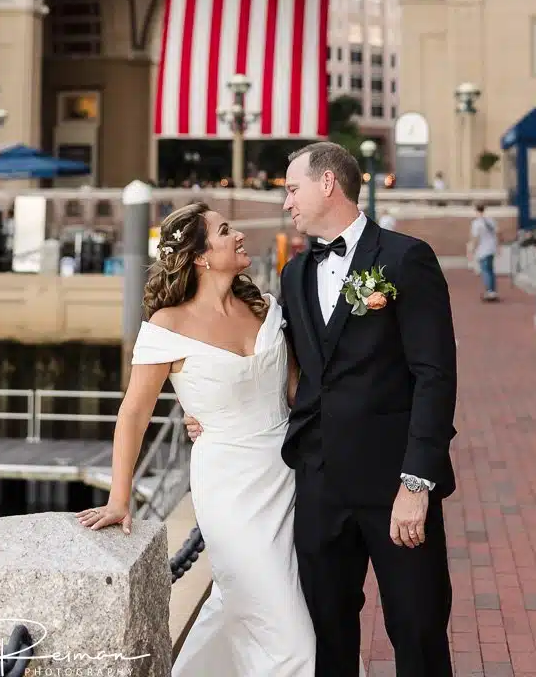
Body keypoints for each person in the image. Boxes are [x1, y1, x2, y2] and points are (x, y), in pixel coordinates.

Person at [188, 143, 458, 676]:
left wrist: (416, 484)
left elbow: (435, 376)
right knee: (325, 634)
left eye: (292, 188)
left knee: (417, 627)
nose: (286, 201)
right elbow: (287, 372)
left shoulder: (406, 259)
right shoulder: (293, 274)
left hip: (392, 484)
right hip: (318, 485)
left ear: (328, 184)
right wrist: (215, 410)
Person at [74, 202, 316, 676]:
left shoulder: (265, 307)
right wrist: (119, 499)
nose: (239, 235)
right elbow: (134, 413)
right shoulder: (168, 325)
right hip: (229, 489)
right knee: (289, 632)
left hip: (290, 477)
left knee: (253, 608)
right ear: (201, 257)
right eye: (226, 231)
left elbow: (296, 392)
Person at [468, 203, 499, 301]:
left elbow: (475, 238)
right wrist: (498, 246)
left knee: (485, 271)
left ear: (476, 211)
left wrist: (472, 249)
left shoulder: (476, 223)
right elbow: (498, 233)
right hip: (491, 248)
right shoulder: (491, 221)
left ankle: (489, 291)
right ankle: (493, 291)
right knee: (491, 270)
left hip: (482, 250)